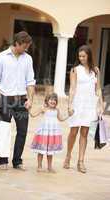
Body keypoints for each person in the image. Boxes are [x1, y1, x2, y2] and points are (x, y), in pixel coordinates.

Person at [0, 31, 35, 170]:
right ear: (17, 43)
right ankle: (3, 161)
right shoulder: (1, 57)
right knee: (4, 130)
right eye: (24, 46)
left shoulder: (28, 59)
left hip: (22, 100)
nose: (26, 49)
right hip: (5, 99)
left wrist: (30, 99)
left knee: (22, 131)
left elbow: (30, 81)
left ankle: (17, 161)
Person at [63, 45, 104, 173]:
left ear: (89, 56)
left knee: (85, 133)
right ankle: (68, 155)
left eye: (83, 56)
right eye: (79, 56)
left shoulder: (95, 71)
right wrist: (69, 105)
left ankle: (81, 161)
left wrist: (101, 104)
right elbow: (72, 88)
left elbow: (98, 89)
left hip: (90, 105)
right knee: (73, 132)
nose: (81, 58)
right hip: (77, 104)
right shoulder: (75, 70)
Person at [30, 93, 72, 173]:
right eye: (51, 100)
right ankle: (39, 166)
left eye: (55, 100)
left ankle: (49, 167)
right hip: (44, 132)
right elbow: (33, 115)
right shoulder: (43, 108)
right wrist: (28, 109)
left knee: (50, 151)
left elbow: (61, 119)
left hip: (52, 133)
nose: (53, 101)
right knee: (41, 150)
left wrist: (69, 115)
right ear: (47, 100)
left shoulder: (57, 110)